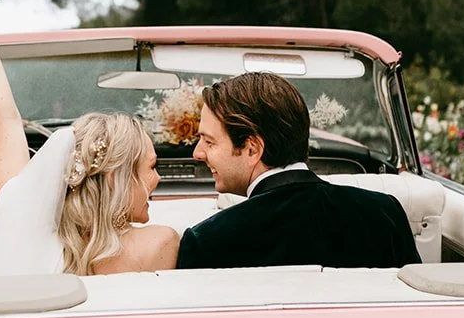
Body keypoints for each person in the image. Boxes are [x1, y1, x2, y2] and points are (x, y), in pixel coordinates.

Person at [0, 0, 178, 276]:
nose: (158, 178)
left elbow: (4, 118)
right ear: (115, 177)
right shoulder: (158, 244)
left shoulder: (20, 220)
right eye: (151, 167)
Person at [178, 72, 420, 269]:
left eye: (209, 142)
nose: (198, 153)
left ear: (252, 149)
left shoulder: (208, 240)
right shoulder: (384, 212)